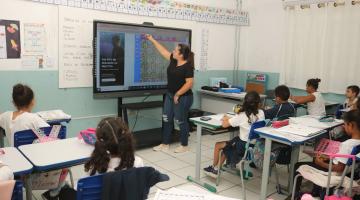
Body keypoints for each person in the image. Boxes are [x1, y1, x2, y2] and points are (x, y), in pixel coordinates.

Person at [58, 117, 144, 200]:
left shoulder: (96, 166)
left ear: (100, 142)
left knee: (65, 192)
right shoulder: (138, 162)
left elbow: (79, 189)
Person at [292, 109, 360, 199]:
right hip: (350, 172)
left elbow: (339, 168)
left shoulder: (347, 145)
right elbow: (344, 158)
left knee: (298, 165)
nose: (344, 127)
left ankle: (296, 194)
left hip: (335, 173)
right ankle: (315, 191)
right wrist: (327, 157)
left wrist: (320, 163)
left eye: (345, 124)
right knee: (319, 157)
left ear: (351, 125)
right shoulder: (356, 143)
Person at [146, 34, 194, 153]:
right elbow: (163, 51)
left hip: (184, 97)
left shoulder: (188, 67)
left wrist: (178, 94)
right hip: (170, 95)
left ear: (181, 54)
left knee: (181, 120)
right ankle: (165, 143)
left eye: (175, 50)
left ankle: (184, 145)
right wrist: (152, 39)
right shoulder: (173, 60)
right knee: (167, 118)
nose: (173, 51)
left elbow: (189, 83)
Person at [203, 91, 265, 175]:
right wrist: (231, 118)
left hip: (242, 147)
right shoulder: (261, 113)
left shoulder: (242, 115)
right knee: (230, 143)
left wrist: (225, 118)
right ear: (258, 103)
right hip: (254, 145)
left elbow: (225, 124)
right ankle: (218, 167)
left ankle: (215, 168)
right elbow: (243, 121)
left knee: (219, 145)